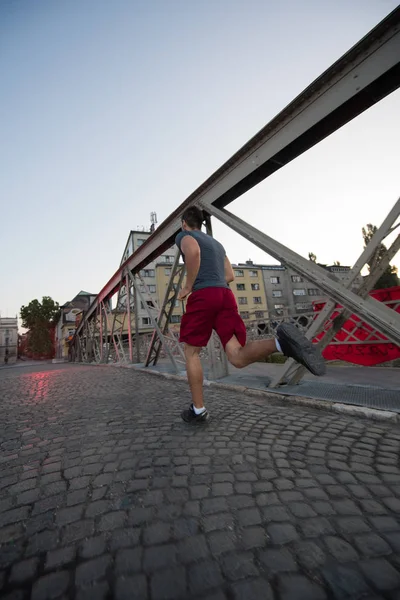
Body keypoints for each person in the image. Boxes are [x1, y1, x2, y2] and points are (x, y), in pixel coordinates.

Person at [175, 206, 326, 423]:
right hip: (225, 295)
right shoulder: (217, 245)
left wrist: (188, 286)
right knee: (236, 355)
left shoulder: (184, 235)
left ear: (184, 223)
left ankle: (198, 410)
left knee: (192, 353)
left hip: (204, 295)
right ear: (201, 222)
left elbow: (193, 252)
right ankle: (281, 344)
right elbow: (230, 275)